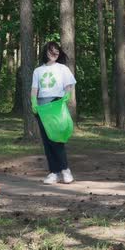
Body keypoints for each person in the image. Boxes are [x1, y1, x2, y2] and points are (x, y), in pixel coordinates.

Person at [31, 41, 77, 185]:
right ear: (45, 52)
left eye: (56, 51)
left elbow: (69, 85)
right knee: (46, 141)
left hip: (56, 106)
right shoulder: (38, 71)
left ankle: (65, 169)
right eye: (51, 51)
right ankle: (53, 172)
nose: (54, 54)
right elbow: (34, 89)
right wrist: (33, 102)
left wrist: (67, 96)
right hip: (42, 108)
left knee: (56, 139)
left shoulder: (62, 68)